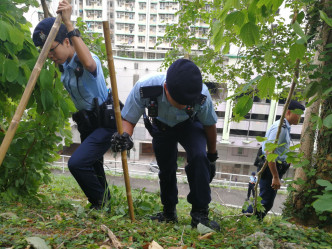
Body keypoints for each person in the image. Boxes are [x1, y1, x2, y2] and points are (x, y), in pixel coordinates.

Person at [111, 59, 220, 231]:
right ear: (166, 88)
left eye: (188, 102)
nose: (184, 105)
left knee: (200, 157)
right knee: (166, 168)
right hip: (162, 126)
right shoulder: (145, 88)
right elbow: (128, 120)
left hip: (190, 125)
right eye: (180, 101)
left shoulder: (202, 95)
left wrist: (212, 157)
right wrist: (125, 136)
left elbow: (209, 125)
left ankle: (200, 216)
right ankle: (169, 213)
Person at [32, 0, 117, 210]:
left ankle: (99, 204)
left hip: (106, 121)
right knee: (94, 164)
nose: (51, 57)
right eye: (46, 54)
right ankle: (105, 202)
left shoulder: (86, 60)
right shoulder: (63, 66)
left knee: (76, 163)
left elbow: (89, 64)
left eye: (52, 50)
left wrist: (69, 25)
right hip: (87, 123)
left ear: (68, 42)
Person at [243, 100, 305, 219]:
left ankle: (249, 219)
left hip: (274, 168)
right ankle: (246, 218)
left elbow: (278, 149)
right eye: (298, 114)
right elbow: (269, 153)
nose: (300, 117)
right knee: (266, 201)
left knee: (266, 199)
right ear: (288, 112)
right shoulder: (280, 128)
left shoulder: (286, 126)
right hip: (270, 169)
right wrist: (275, 177)